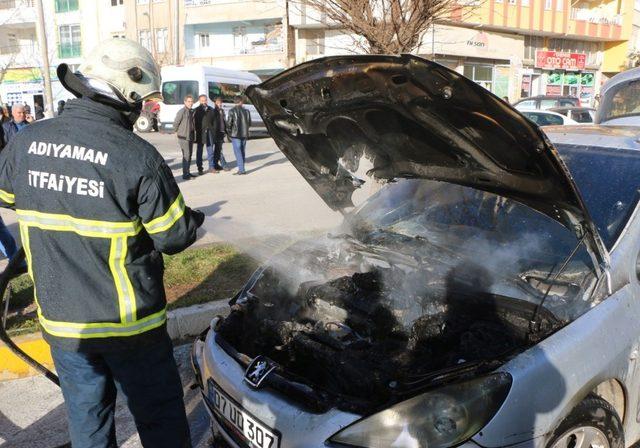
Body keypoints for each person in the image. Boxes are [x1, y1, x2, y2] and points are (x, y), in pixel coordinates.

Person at [0, 39, 205, 448]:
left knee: (87, 419)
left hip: (63, 322)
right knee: (160, 417)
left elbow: (9, 197)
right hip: (130, 325)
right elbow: (174, 236)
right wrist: (192, 219)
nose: (143, 108)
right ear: (126, 94)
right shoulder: (137, 157)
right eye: (142, 100)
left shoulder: (24, 144)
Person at [173, 94, 196, 180]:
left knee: (189, 155)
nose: (190, 103)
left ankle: (188, 172)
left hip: (190, 136)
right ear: (185, 102)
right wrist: (176, 132)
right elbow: (175, 123)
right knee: (186, 155)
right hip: (183, 137)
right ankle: (185, 175)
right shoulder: (182, 111)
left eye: (191, 101)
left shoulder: (191, 111)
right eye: (189, 101)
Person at [227, 96, 252, 175]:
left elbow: (229, 123)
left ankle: (241, 170)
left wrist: (229, 132)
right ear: (241, 102)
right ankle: (242, 168)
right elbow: (249, 123)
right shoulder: (247, 111)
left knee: (238, 152)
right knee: (242, 151)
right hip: (244, 134)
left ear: (235, 102)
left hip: (235, 134)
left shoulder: (232, 111)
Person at [193, 94, 214, 175]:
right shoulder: (196, 110)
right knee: (199, 151)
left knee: (210, 150)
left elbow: (214, 122)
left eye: (205, 100)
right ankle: (200, 168)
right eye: (202, 100)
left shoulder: (211, 109)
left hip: (209, 133)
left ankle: (211, 167)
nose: (204, 102)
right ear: (199, 101)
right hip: (200, 133)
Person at [211, 97, 227, 171]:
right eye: (218, 103)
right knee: (219, 150)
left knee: (217, 150)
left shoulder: (222, 111)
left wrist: (225, 131)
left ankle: (215, 164)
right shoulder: (214, 111)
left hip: (222, 132)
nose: (219, 104)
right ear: (215, 103)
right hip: (216, 133)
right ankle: (224, 165)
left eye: (220, 103)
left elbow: (224, 122)